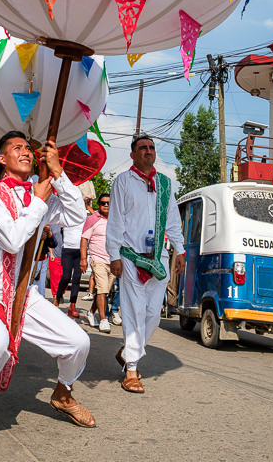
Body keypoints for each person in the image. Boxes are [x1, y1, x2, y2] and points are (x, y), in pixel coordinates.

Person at [0, 131, 95, 452]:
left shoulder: (38, 192)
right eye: (16, 148)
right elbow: (13, 240)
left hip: (23, 291)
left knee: (78, 342)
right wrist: (39, 202)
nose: (25, 152)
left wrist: (58, 175)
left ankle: (62, 393)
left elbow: (76, 215)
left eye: (27, 148)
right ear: (2, 159)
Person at [106, 133, 186, 394]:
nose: (148, 151)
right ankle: (131, 369)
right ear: (133, 154)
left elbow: (173, 219)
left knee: (153, 315)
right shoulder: (123, 182)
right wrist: (114, 255)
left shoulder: (164, 183)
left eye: (151, 147)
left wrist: (180, 250)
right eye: (143, 148)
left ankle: (129, 350)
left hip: (158, 258)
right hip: (130, 257)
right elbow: (115, 220)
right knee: (133, 312)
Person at [81, 194, 114, 333]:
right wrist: (83, 259)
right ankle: (103, 320)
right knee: (102, 289)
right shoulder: (92, 219)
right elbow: (84, 239)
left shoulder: (116, 220)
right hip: (97, 259)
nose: (106, 205)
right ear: (99, 205)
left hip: (112, 260)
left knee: (104, 291)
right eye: (103, 203)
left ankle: (90, 312)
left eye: (108, 203)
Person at [53, 206, 87, 319]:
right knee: (66, 277)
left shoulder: (83, 218)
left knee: (77, 279)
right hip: (67, 250)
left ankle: (72, 306)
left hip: (80, 251)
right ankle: (57, 298)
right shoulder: (65, 217)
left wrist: (86, 206)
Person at [33, 224, 57, 297]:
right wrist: (37, 237)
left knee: (40, 288)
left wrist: (49, 232)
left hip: (41, 260)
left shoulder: (45, 227)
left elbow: (53, 244)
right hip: (28, 261)